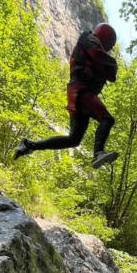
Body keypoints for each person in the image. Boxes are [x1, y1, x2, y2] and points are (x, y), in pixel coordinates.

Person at [14, 23, 119, 169]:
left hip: (77, 95)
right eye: (109, 45)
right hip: (82, 92)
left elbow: (112, 76)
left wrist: (110, 65)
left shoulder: (94, 49)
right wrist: (112, 62)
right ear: (105, 39)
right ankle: (98, 153)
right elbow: (102, 61)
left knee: (74, 140)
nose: (108, 50)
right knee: (107, 119)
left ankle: (30, 145)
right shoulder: (88, 39)